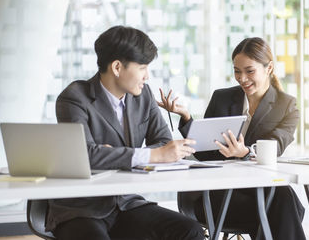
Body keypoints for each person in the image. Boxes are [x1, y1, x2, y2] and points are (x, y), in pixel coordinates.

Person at [46, 26, 204, 240]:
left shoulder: (143, 95)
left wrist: (115, 154)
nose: (147, 76)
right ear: (118, 67)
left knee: (190, 230)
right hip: (82, 208)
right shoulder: (74, 98)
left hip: (127, 203)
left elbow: (164, 142)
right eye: (143, 68)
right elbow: (86, 155)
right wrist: (152, 155)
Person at [158, 37, 306, 240]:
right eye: (237, 71)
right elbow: (203, 152)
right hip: (216, 194)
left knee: (277, 199)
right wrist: (186, 117)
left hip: (257, 193)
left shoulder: (286, 105)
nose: (242, 78)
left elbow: (277, 145)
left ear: (269, 68)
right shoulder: (222, 98)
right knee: (283, 201)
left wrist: (245, 152)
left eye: (249, 71)